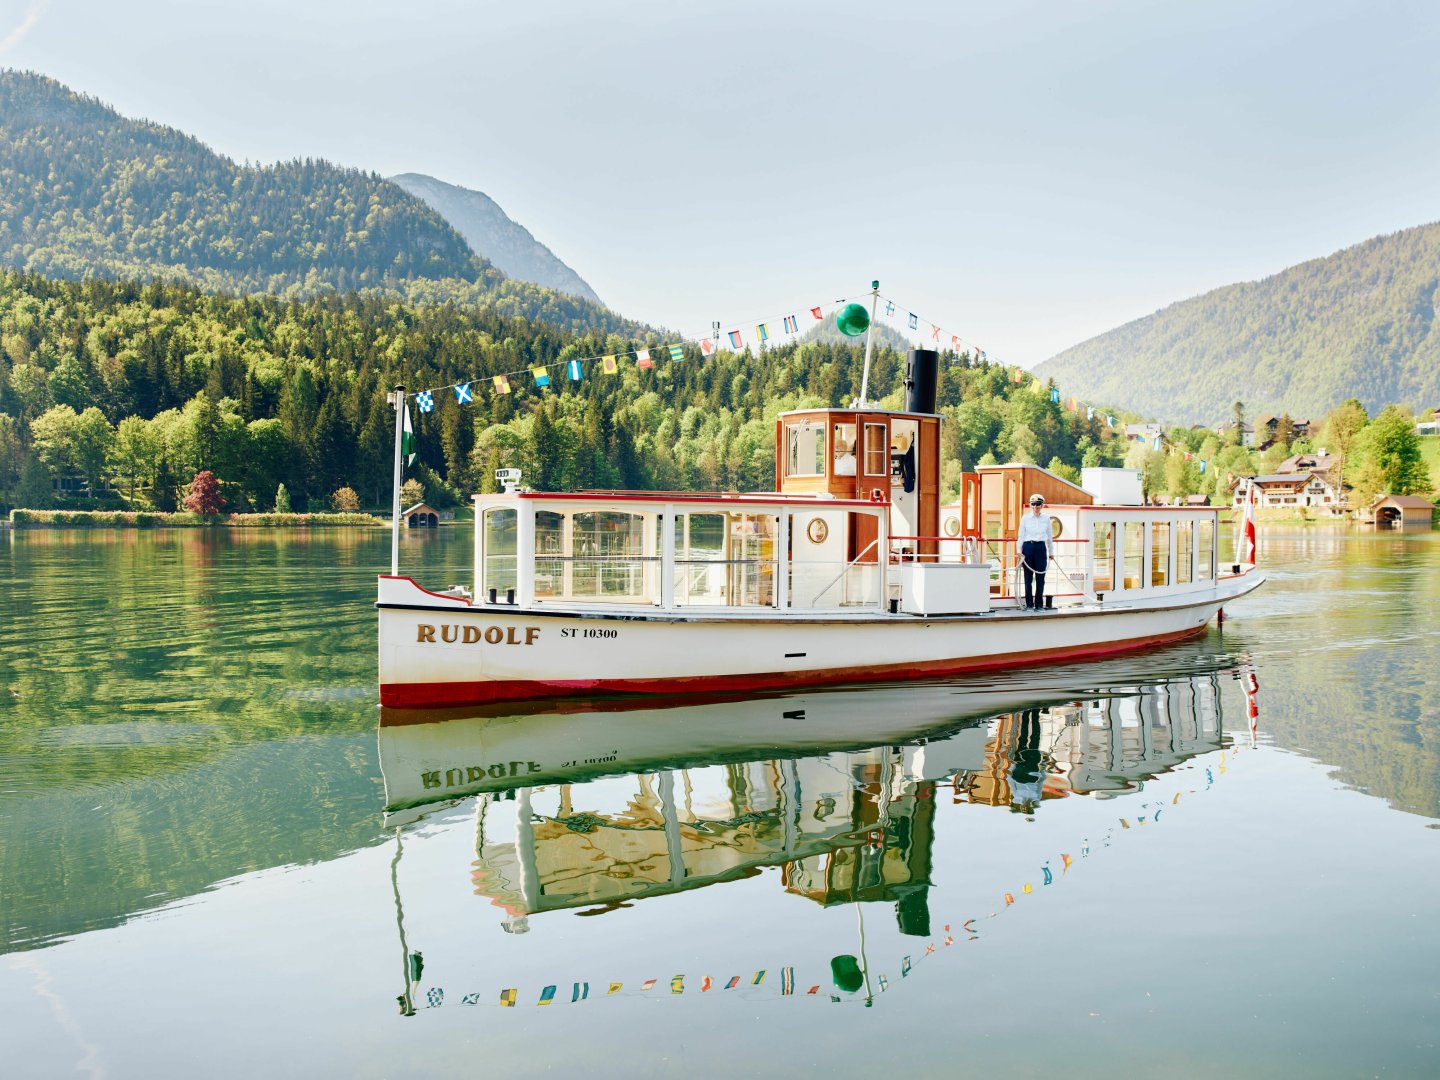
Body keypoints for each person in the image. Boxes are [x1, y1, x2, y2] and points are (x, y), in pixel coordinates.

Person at [1017, 493, 1054, 610]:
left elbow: (1049, 537)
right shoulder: (1025, 518)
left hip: (1041, 549)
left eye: (1038, 504)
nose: (1035, 506)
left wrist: (1051, 552)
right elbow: (1021, 536)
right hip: (1028, 547)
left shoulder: (1046, 518)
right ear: (1030, 505)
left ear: (1042, 505)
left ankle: (1039, 605)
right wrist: (1019, 551)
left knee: (1040, 578)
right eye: (1033, 504)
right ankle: (1029, 604)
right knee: (1028, 578)